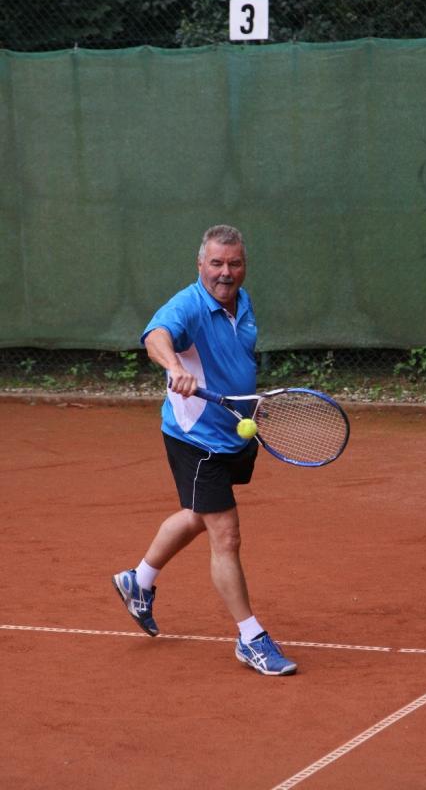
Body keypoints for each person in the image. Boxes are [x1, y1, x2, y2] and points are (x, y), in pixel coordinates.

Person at [112, 224, 297, 676]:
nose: (225, 272)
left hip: (233, 430)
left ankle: (139, 580)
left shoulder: (243, 302)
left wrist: (250, 404)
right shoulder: (189, 305)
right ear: (200, 264)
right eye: (216, 263)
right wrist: (175, 365)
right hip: (197, 439)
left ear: (244, 266)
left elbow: (234, 360)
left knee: (199, 513)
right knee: (225, 534)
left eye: (234, 263)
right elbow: (156, 335)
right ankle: (250, 637)